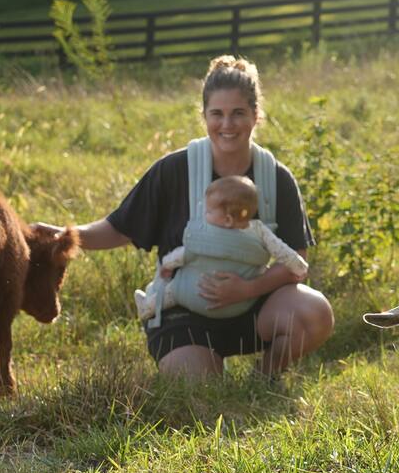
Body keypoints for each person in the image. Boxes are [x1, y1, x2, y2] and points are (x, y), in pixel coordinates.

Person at [53, 55, 334, 378]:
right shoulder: (173, 170)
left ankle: (265, 376)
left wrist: (246, 289)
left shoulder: (275, 178)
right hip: (182, 311)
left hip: (250, 306)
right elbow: (118, 229)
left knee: (316, 313)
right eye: (217, 114)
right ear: (204, 116)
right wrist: (63, 235)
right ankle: (200, 359)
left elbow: (296, 259)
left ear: (256, 116)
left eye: (238, 113)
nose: (227, 125)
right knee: (201, 389)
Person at [134, 174, 310, 323]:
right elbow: (283, 252)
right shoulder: (260, 231)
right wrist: (299, 267)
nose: (205, 214)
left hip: (193, 295)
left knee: (172, 290)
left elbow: (182, 255)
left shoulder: (206, 233)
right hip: (240, 305)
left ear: (227, 220)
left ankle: (147, 308)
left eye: (209, 211)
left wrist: (166, 265)